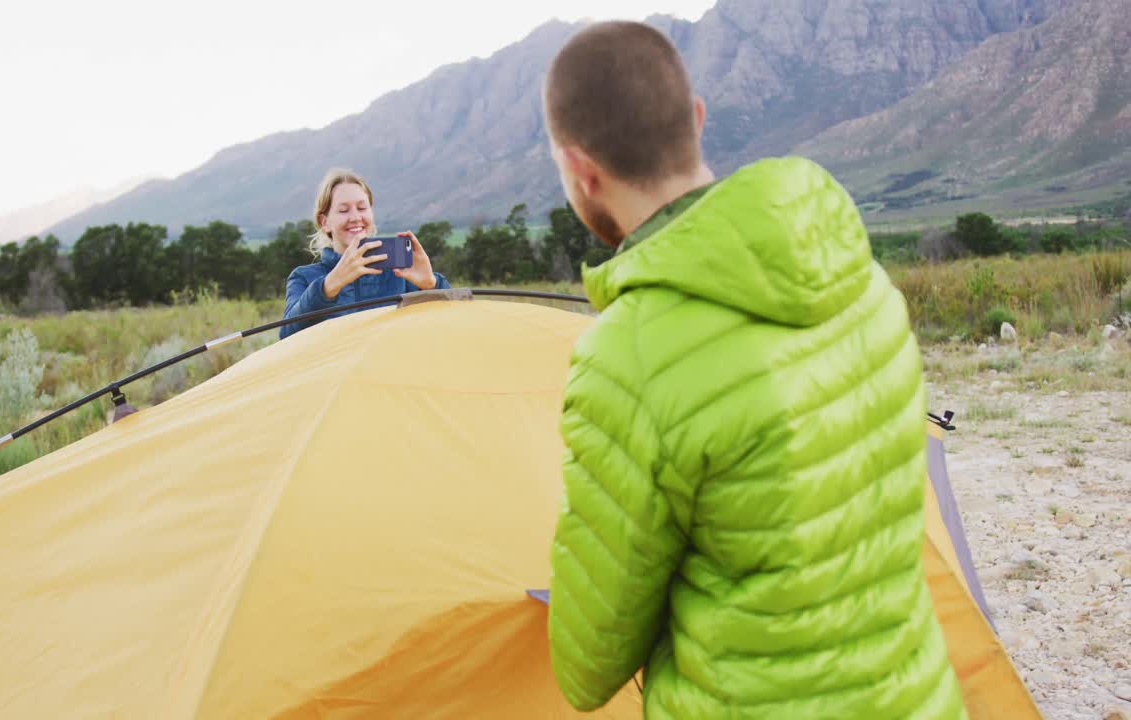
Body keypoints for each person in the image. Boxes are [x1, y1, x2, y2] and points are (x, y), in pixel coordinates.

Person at [542, 21, 967, 719]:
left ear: (581, 169)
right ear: (697, 117)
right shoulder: (855, 271)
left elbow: (588, 667)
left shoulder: (630, 354)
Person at [280, 169, 450, 338]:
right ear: (325, 223)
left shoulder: (401, 274)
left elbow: (449, 322)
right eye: (343, 210)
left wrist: (431, 284)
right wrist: (329, 286)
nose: (355, 217)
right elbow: (287, 335)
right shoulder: (303, 277)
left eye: (362, 208)